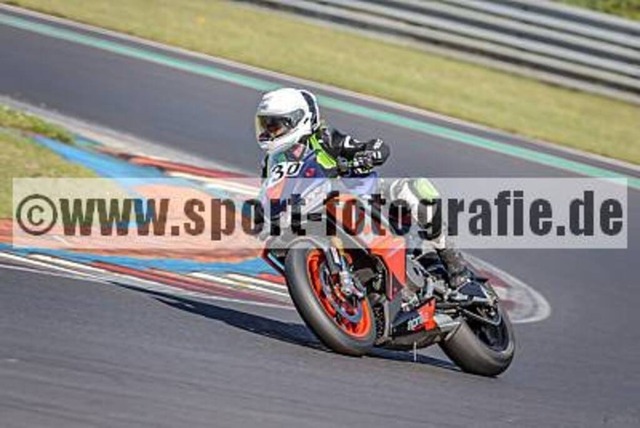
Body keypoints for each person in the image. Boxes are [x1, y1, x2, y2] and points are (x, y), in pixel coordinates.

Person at [255, 87, 469, 287]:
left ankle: (454, 264)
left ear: (298, 120)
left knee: (414, 188)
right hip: (312, 210)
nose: (268, 132)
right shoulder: (272, 162)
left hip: (365, 197)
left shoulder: (324, 138)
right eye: (265, 125)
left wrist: (366, 155)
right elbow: (270, 193)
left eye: (274, 126)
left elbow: (374, 147)